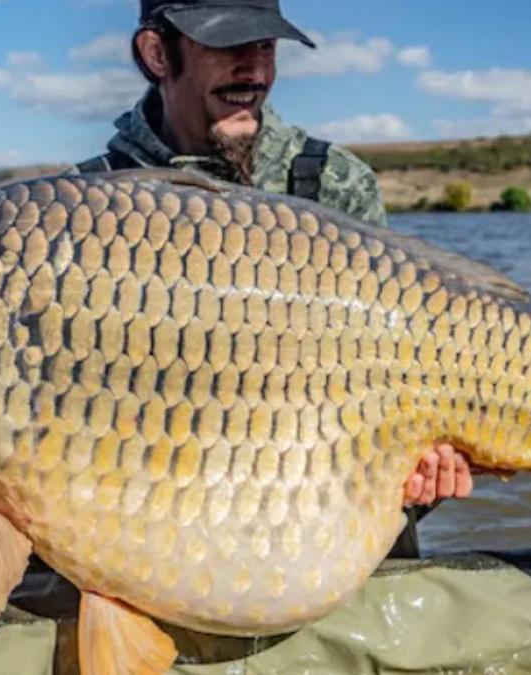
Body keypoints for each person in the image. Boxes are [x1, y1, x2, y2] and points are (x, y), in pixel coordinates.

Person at [77, 0, 474, 556]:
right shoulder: (81, 211)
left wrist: (420, 480)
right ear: (155, 54)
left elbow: (405, 389)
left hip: (319, 535)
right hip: (161, 535)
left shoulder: (333, 182)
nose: (255, 71)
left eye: (265, 46)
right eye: (227, 45)